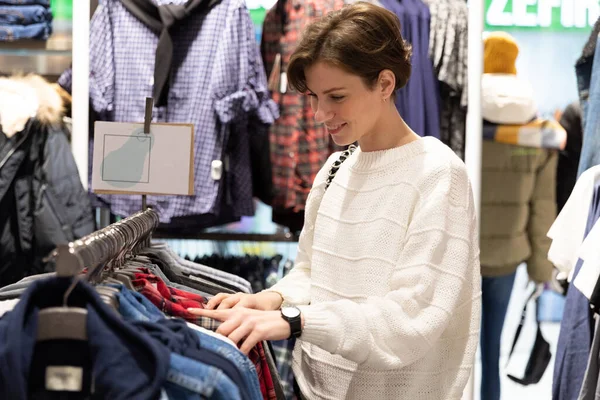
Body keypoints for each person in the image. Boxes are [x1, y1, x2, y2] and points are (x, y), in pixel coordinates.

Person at [189, 3, 481, 399]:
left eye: (336, 96)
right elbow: (313, 273)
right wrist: (270, 299)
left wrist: (294, 320)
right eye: (313, 96)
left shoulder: (438, 173)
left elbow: (413, 316)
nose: (321, 113)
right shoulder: (335, 168)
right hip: (313, 390)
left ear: (384, 83)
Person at [479, 31, 559, 400]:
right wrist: (543, 271)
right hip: (507, 259)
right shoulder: (539, 133)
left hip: (461, 255)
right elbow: (542, 208)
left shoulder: (464, 120)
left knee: (452, 352)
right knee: (491, 349)